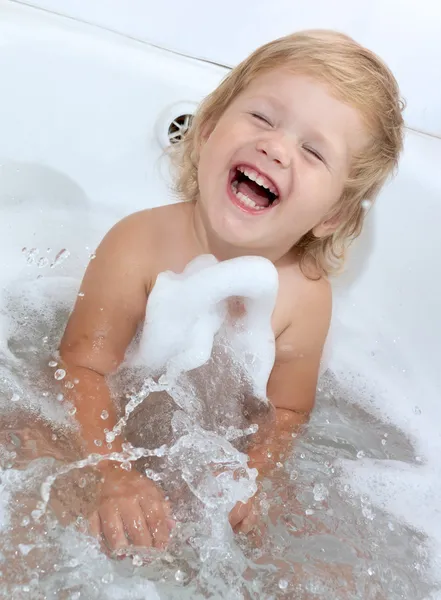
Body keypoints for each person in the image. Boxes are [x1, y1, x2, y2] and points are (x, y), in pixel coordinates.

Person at [58, 29, 404, 553]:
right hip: (110, 429)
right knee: (38, 465)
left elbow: (287, 412)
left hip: (211, 453)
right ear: (208, 130)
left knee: (308, 550)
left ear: (332, 214)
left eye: (313, 151)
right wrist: (112, 472)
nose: (276, 147)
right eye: (263, 118)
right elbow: (82, 369)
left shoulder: (305, 296)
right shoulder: (140, 244)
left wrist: (253, 474)